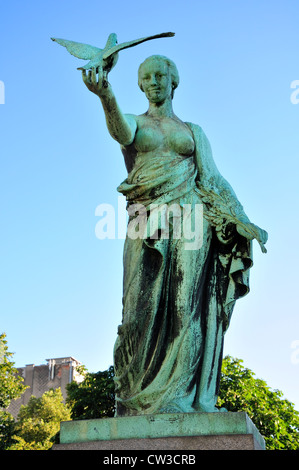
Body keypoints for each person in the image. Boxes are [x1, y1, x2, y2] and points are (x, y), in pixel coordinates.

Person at [82, 55, 267, 416]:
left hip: (193, 216)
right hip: (144, 216)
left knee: (187, 308)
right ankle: (137, 401)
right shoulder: (135, 123)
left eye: (159, 75)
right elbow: (120, 131)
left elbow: (212, 177)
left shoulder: (193, 132)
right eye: (146, 77)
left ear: (173, 81)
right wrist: (105, 95)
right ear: (139, 85)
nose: (153, 82)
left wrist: (242, 218)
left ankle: (181, 397)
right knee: (138, 310)